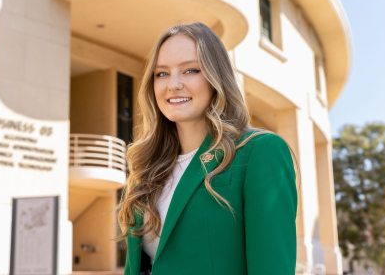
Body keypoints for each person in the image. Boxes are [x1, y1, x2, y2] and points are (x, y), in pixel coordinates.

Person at [117, 22, 298, 275]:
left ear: (216, 77)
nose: (173, 84)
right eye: (162, 73)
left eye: (190, 70)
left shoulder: (260, 152)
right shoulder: (147, 169)